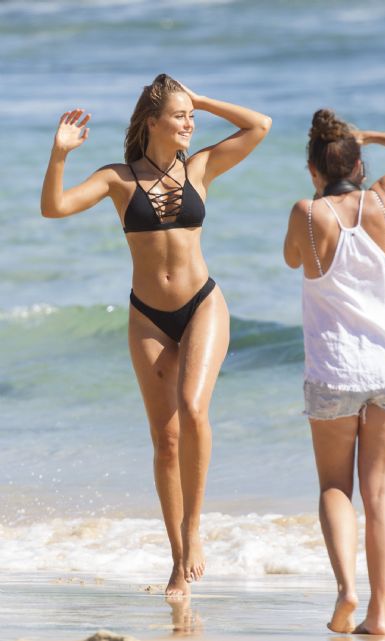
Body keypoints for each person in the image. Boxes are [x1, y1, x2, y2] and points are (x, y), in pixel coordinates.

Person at [41, 73, 272, 596]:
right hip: (147, 315)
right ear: (153, 122)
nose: (190, 124)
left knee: (193, 410)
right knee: (165, 441)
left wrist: (202, 98)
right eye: (180, 116)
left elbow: (260, 125)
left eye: (192, 116)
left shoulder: (203, 167)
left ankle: (194, 529)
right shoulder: (116, 179)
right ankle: (176, 558)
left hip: (202, 305)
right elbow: (53, 208)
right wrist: (60, 156)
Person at [283, 109, 385, 635]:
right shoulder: (382, 200)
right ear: (358, 163)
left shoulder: (307, 212)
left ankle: (346, 592)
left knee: (335, 487)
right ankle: (378, 615)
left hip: (334, 369)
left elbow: (292, 261)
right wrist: (370, 135)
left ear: (313, 169)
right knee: (381, 493)